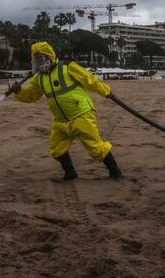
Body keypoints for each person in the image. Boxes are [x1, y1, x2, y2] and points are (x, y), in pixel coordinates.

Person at [8, 41, 122, 180]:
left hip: (82, 114)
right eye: (36, 59)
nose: (38, 62)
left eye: (41, 58)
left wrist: (106, 91)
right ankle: (70, 172)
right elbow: (31, 95)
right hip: (61, 120)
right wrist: (19, 91)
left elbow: (90, 80)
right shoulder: (38, 78)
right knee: (56, 148)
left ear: (49, 56)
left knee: (96, 148)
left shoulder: (68, 67)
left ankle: (115, 171)